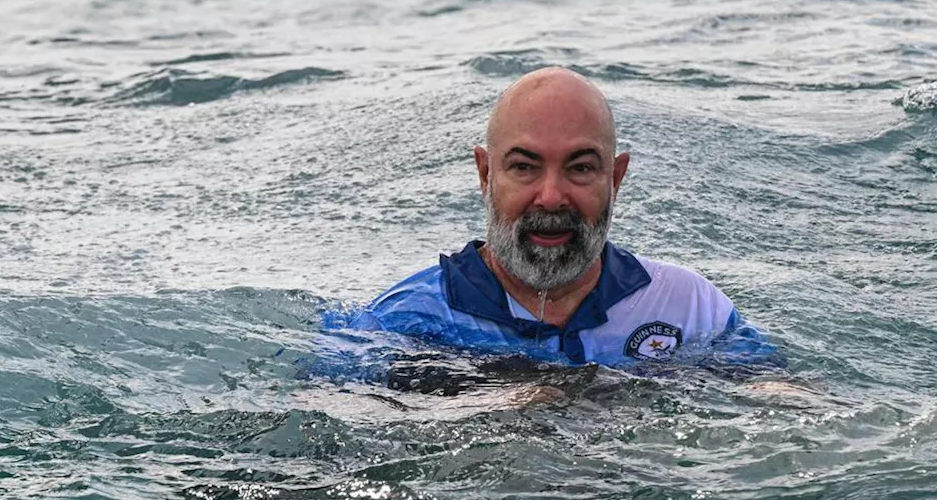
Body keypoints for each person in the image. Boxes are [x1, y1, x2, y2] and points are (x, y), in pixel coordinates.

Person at [331, 67, 782, 378]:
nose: (550, 196)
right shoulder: (404, 324)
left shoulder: (689, 309)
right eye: (525, 167)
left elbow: (784, 406)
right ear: (485, 174)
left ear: (616, 177)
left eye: (580, 168)